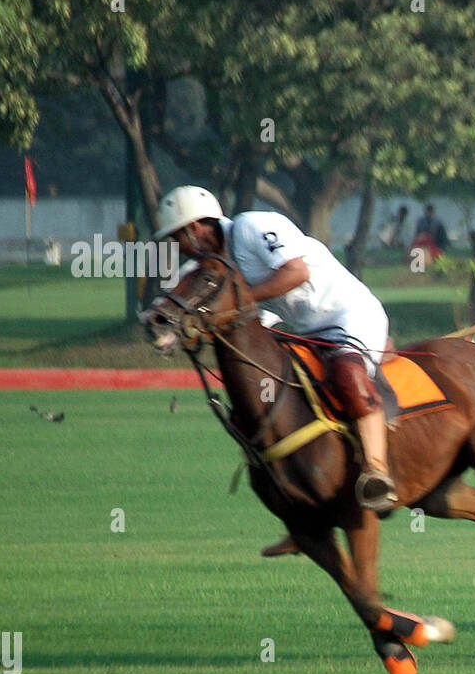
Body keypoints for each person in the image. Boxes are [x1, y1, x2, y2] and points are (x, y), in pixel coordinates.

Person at [153, 186, 397, 558]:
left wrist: (240, 300)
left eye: (177, 237)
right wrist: (176, 330)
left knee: (347, 376)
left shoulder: (253, 227)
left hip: (349, 316)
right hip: (304, 333)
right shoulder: (214, 268)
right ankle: (300, 522)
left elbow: (296, 272)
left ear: (197, 227)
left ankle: (377, 472)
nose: (178, 247)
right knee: (253, 411)